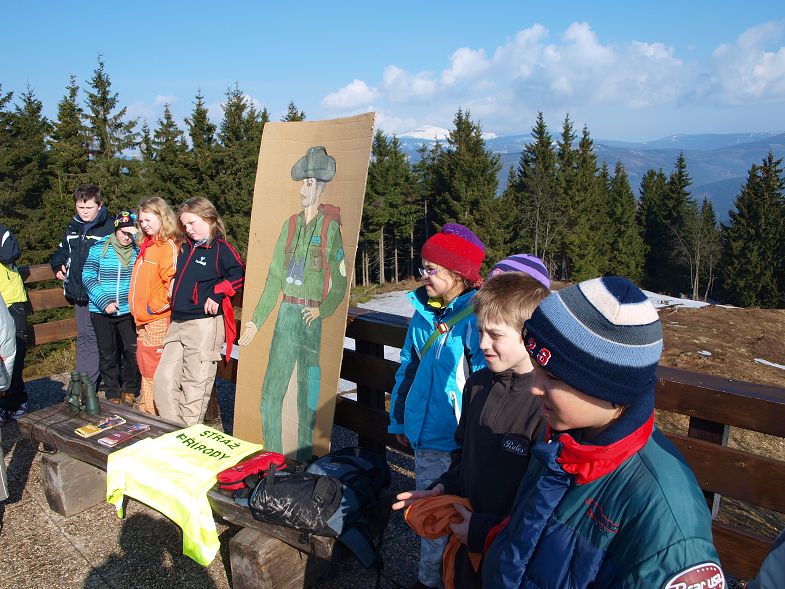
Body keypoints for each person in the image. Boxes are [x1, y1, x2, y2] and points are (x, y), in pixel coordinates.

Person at [482, 276, 725, 589]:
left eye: (552, 377)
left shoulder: (667, 520)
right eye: (535, 368)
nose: (535, 387)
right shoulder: (566, 437)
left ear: (606, 387)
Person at [394, 269, 551, 589]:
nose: (482, 344)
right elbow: (463, 454)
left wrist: (481, 530)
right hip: (466, 543)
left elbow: (543, 501)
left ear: (529, 335)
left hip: (513, 558)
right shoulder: (477, 386)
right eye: (480, 331)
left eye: (495, 335)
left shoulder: (546, 407)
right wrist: (444, 488)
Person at [387, 223, 487, 589]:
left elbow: (483, 384)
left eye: (432, 269)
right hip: (426, 439)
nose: (423, 276)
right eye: (424, 267)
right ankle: (428, 581)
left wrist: (476, 438)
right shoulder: (423, 314)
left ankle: (455, 580)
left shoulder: (476, 319)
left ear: (458, 274)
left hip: (459, 442)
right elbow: (409, 367)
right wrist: (400, 421)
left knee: (460, 519)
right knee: (429, 516)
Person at [238, 146, 347, 463]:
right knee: (271, 392)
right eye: (303, 183)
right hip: (286, 314)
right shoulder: (289, 226)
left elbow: (340, 281)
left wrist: (322, 310)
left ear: (321, 187)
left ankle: (304, 458)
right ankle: (271, 456)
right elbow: (273, 278)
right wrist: (256, 320)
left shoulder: (330, 229)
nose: (303, 190)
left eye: (309, 183)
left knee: (307, 394)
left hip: (312, 318)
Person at [154, 197, 244, 426]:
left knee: (195, 382)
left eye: (192, 223)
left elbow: (239, 274)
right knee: (163, 379)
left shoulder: (220, 249)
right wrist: (174, 282)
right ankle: (173, 429)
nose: (188, 229)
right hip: (177, 322)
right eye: (184, 224)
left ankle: (187, 432)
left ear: (208, 218)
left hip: (204, 324)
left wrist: (218, 293)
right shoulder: (185, 246)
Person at [50, 183, 114, 387]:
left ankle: (93, 382)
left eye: (89, 207)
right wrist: (58, 263)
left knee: (102, 337)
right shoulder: (73, 227)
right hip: (79, 291)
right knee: (86, 336)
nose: (85, 212)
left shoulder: (110, 227)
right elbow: (63, 249)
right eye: (80, 207)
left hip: (103, 292)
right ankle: (84, 382)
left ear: (100, 205)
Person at [82, 212, 141, 406]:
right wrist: (103, 301)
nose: (127, 237)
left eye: (131, 233)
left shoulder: (138, 251)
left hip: (127, 310)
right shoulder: (99, 249)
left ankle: (130, 388)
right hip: (101, 311)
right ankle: (112, 390)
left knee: (132, 350)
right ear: (116, 229)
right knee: (108, 351)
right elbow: (88, 276)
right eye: (124, 232)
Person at [129, 197, 179, 415]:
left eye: (148, 220)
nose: (144, 225)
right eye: (141, 221)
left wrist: (152, 308)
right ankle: (146, 407)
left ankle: (153, 412)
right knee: (144, 361)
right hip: (142, 316)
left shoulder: (166, 247)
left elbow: (172, 285)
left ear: (162, 217)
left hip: (157, 317)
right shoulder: (148, 245)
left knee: (153, 365)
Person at [0, 222, 28, 426]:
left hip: (10, 299)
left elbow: (9, 254)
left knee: (14, 355)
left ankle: (15, 401)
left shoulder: (3, 232)